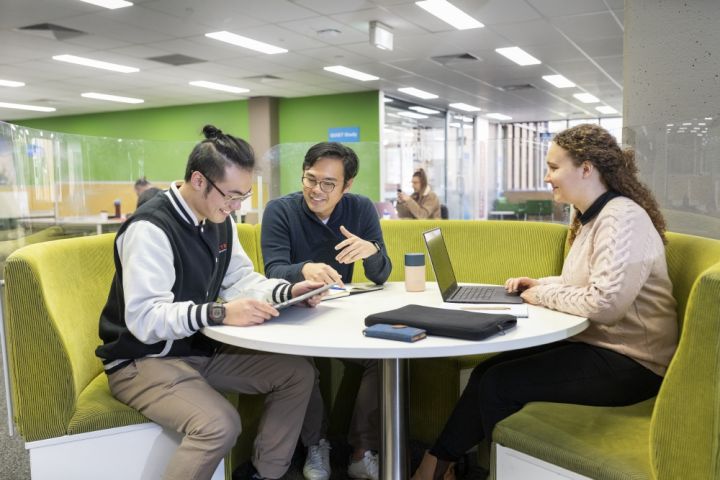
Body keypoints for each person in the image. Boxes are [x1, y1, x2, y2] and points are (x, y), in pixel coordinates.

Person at [411, 123, 679, 480]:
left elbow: (606, 305)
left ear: (586, 169)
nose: (547, 177)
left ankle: (454, 469)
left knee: (498, 385)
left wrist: (539, 294)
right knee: (486, 371)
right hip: (601, 348)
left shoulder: (622, 217)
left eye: (554, 167)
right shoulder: (593, 217)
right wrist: (539, 283)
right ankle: (438, 466)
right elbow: (585, 281)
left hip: (634, 364)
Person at [97, 125, 326, 480]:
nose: (236, 207)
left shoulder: (219, 219)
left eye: (243, 197)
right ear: (199, 180)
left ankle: (264, 474)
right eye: (231, 196)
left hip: (199, 351)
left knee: (298, 374)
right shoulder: (150, 229)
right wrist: (220, 312)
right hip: (142, 360)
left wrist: (289, 291)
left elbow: (240, 280)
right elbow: (145, 318)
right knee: (220, 424)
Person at [261, 142, 392, 480]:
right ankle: (317, 443)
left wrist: (371, 252)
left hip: (341, 315)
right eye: (310, 179)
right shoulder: (280, 210)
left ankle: (362, 451)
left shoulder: (360, 209)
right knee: (299, 363)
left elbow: (381, 274)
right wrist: (304, 269)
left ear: (347, 185)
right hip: (296, 315)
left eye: (328, 184)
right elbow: (273, 269)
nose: (316, 191)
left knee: (387, 356)